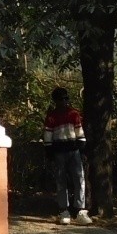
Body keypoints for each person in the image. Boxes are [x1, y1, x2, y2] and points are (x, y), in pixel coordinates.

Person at [43, 87, 89, 225]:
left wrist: (81, 149)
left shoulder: (74, 114)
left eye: (66, 98)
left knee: (79, 179)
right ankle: (64, 211)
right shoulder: (51, 117)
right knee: (61, 181)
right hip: (59, 152)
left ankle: (80, 210)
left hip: (73, 151)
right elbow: (47, 136)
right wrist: (49, 151)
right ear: (56, 101)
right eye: (61, 99)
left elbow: (80, 133)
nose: (64, 101)